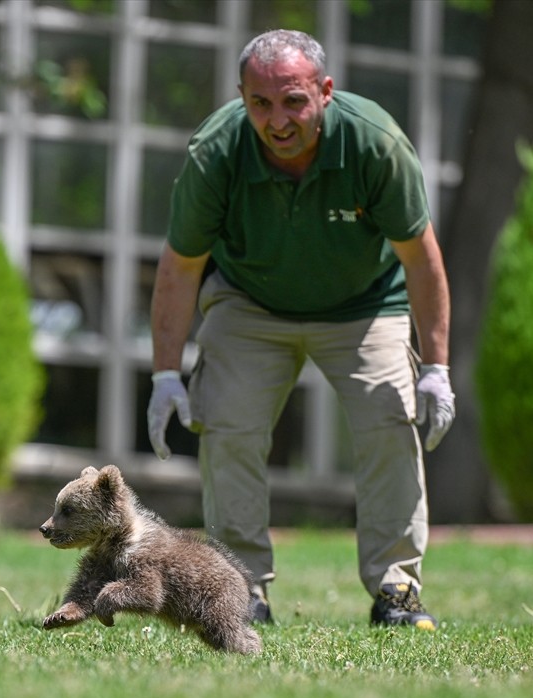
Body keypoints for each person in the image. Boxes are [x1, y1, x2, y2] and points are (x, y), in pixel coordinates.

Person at [147, 29, 454, 630]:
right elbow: (179, 267)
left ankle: (397, 589)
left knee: (388, 421)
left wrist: (437, 368)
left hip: (366, 303)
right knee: (230, 425)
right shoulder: (215, 151)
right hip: (249, 302)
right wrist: (164, 375)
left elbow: (422, 259)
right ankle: (241, 588)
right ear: (241, 99)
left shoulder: (375, 143)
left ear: (326, 92)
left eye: (293, 101)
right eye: (260, 103)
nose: (277, 120)